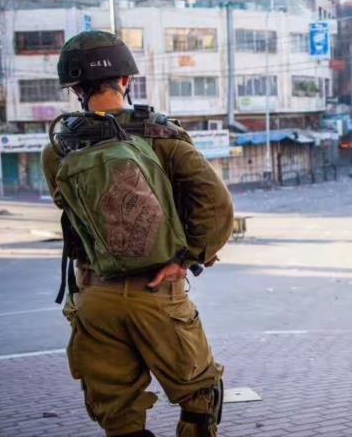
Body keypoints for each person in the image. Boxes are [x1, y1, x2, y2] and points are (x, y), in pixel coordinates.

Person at [42, 30, 234, 437]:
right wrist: (186, 258)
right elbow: (216, 206)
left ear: (75, 88)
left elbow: (69, 209)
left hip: (93, 298)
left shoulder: (58, 149)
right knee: (201, 396)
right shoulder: (162, 136)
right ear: (125, 80)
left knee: (119, 415)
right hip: (157, 293)